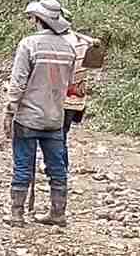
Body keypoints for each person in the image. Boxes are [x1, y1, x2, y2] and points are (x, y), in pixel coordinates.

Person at [4, 0, 76, 227]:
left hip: (28, 117)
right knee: (57, 167)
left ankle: (17, 214)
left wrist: (9, 110)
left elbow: (18, 82)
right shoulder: (69, 48)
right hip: (55, 117)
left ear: (37, 19)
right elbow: (70, 82)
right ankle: (58, 212)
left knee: (23, 164)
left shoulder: (29, 45)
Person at [62, 25, 100, 170]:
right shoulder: (84, 42)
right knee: (62, 134)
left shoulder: (60, 43)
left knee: (56, 136)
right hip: (76, 99)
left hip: (60, 99)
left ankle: (59, 171)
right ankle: (60, 170)